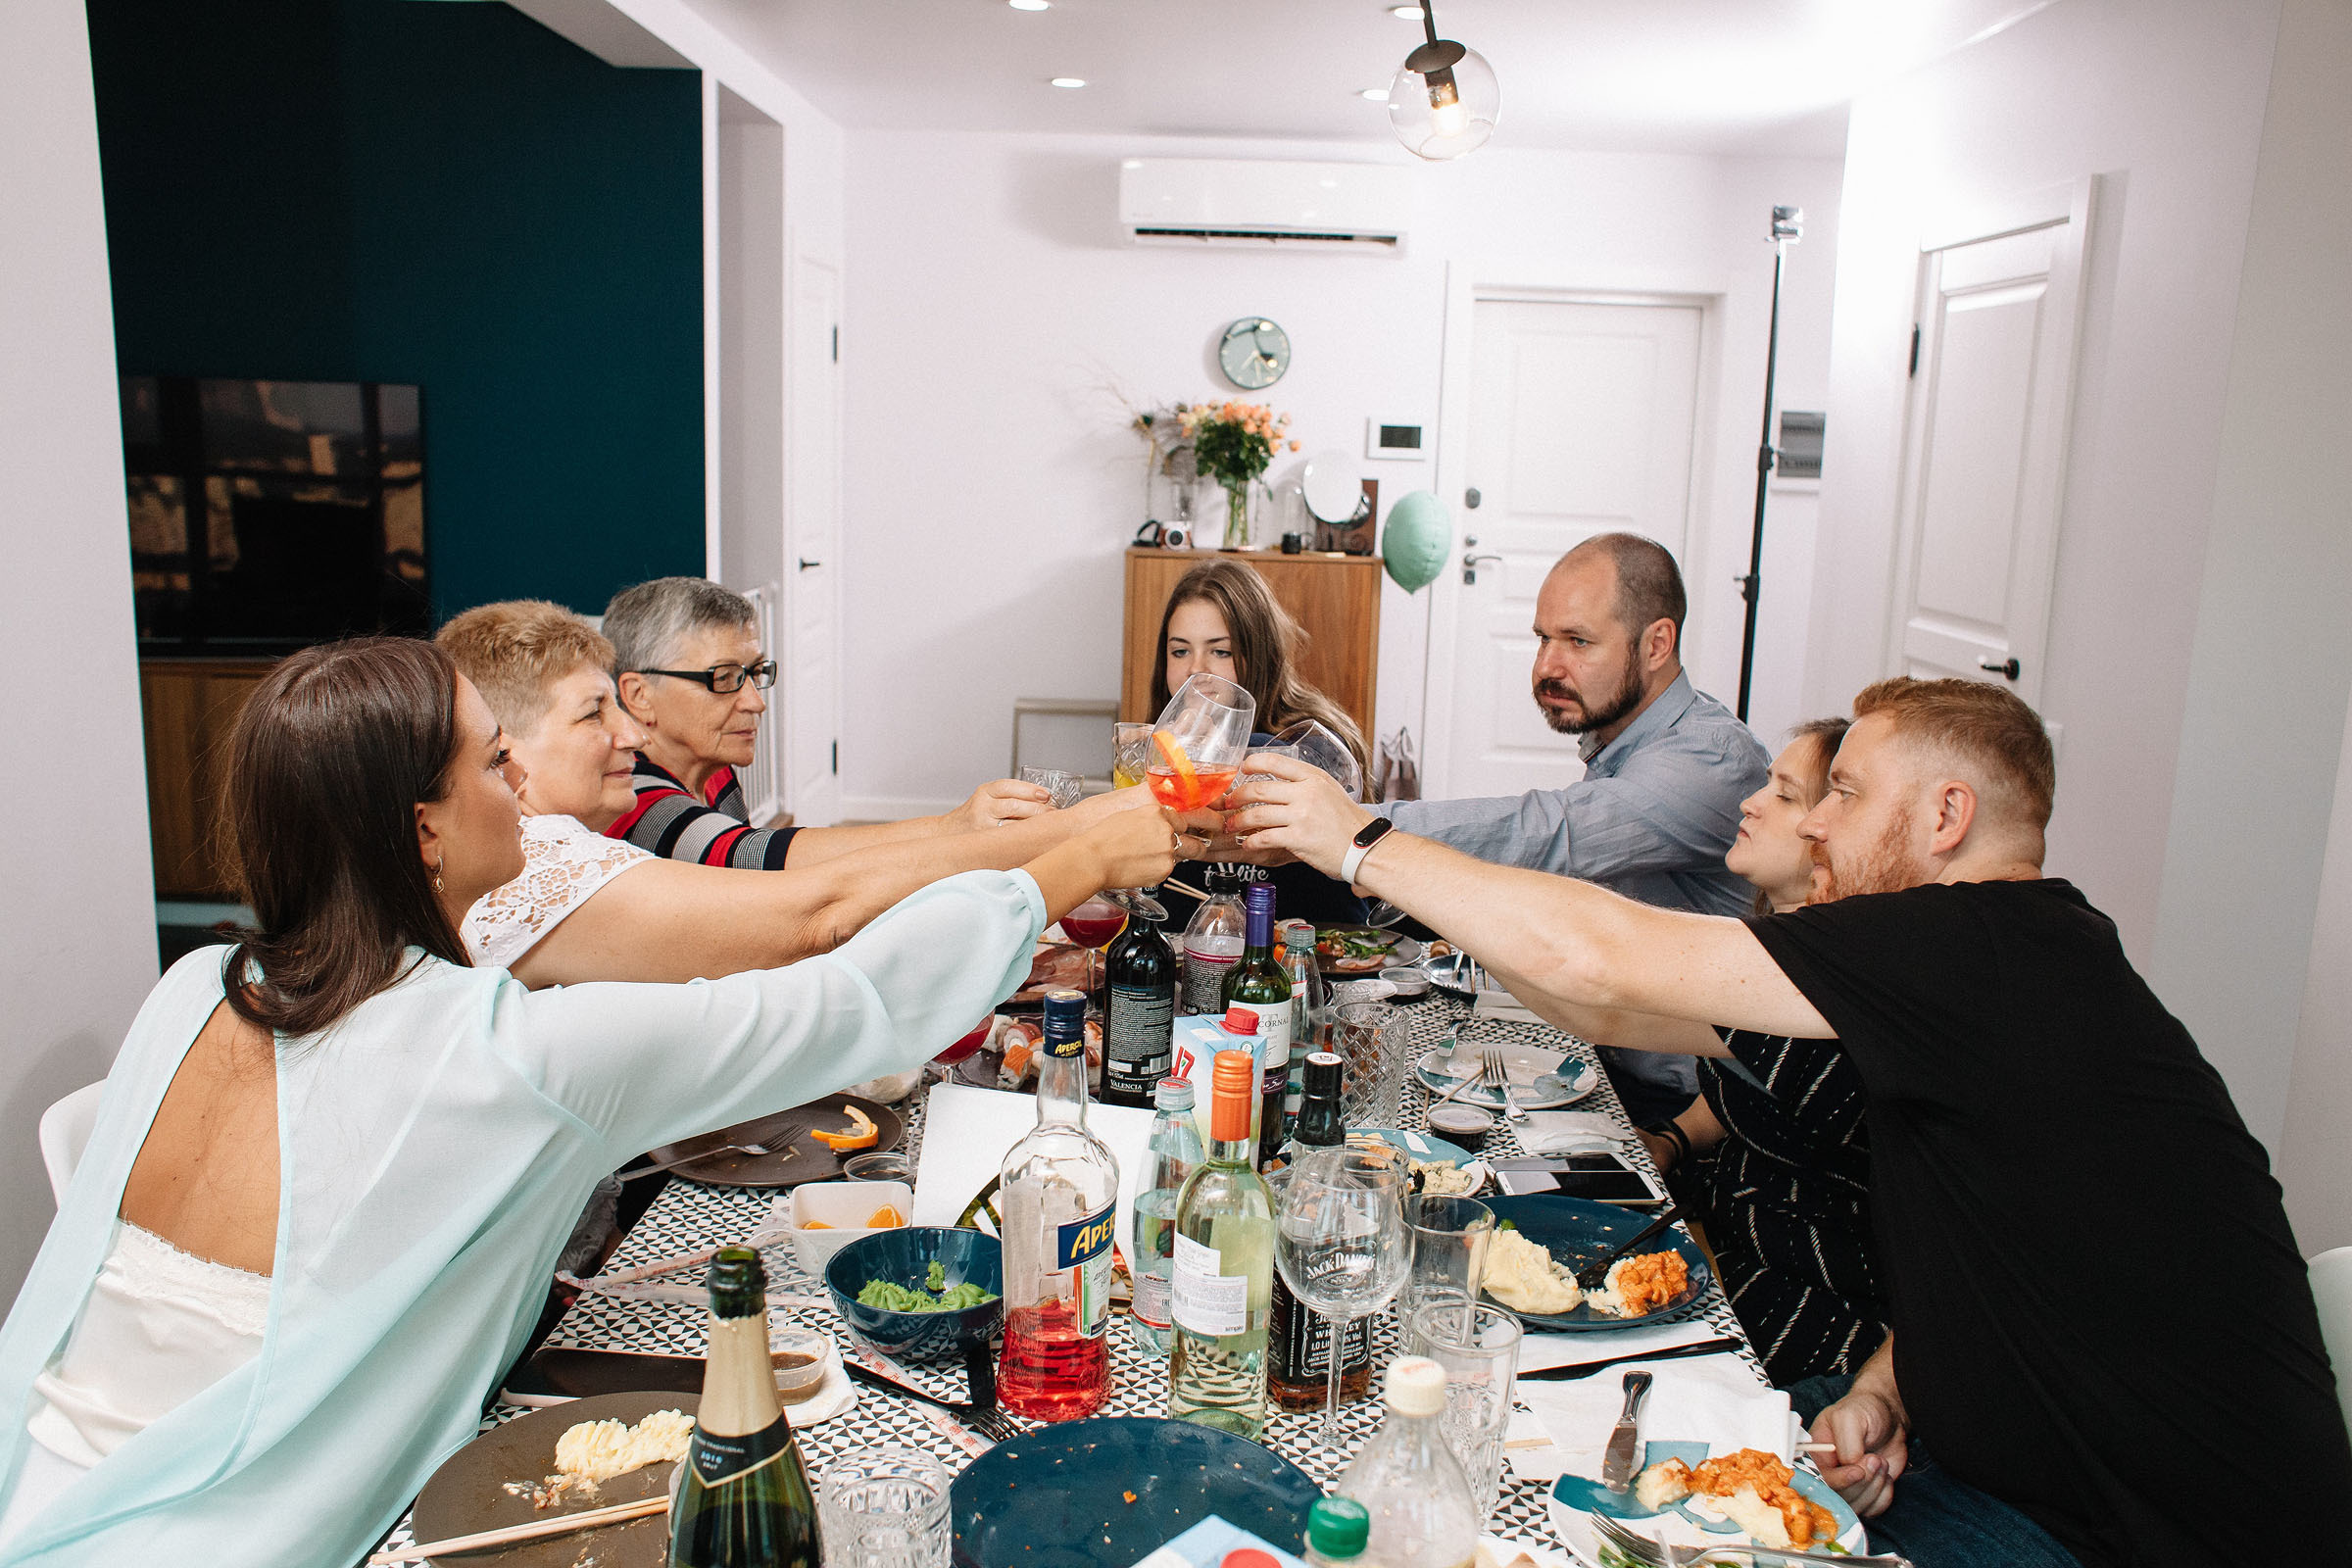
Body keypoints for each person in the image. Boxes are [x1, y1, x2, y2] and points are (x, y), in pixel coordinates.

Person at [0, 638, 1177, 1563]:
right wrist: (1074, 860)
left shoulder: (193, 987)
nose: (521, 782)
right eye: (491, 762)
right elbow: (849, 997)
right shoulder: (510, 1058)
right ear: (424, 829)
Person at [1224, 676, 2352, 1568]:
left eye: (1847, 793)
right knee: (1548, 1448)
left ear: (1947, 816)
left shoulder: (1979, 945)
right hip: (1995, 1469)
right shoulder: (1998, 970)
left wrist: (1359, 843)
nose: (1816, 828)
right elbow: (2024, 1253)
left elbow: (1604, 954)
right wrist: (1886, 1389)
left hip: (2133, 1538)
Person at [438, 600, 1160, 985]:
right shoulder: (550, 863)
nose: (628, 733)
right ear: (506, 747)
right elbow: (810, 906)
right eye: (594, 714)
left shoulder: (575, 832)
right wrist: (1088, 840)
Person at [1319, 533, 1770, 1122]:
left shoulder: (1711, 759)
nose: (1546, 668)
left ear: (1657, 644)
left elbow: (1553, 833)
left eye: (1578, 641)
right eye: (1543, 638)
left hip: (1694, 1105)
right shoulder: (1629, 740)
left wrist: (1357, 831)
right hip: (1610, 1056)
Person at [1574, 717, 1886, 1388]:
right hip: (1719, 1232)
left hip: (1801, 1298)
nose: (1751, 802)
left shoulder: (1826, 977)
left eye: (1785, 794)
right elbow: (1745, 1082)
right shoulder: (1775, 936)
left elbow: (1599, 1002)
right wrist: (1673, 1138)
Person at [604, 576, 1050, 867]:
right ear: (639, 695)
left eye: (755, 673)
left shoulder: (711, 767)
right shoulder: (631, 798)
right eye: (723, 678)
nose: (755, 703)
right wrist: (952, 828)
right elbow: (751, 858)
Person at [1146, 557, 1369, 928]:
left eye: (1220, 651)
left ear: (1260, 654)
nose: (1196, 670)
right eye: (1180, 651)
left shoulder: (1306, 747)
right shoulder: (1161, 752)